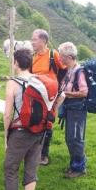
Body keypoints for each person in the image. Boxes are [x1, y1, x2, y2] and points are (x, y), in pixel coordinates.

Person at [0, 49, 43, 190]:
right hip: (39, 130)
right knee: (31, 167)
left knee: (10, 168)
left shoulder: (13, 83)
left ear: (16, 63)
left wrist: (5, 135)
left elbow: (8, 113)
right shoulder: (39, 81)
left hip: (20, 131)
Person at [31, 29, 66, 166]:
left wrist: (60, 92)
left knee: (48, 123)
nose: (32, 42)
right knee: (35, 121)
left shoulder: (53, 55)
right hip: (35, 97)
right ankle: (34, 153)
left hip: (50, 98)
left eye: (34, 39)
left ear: (43, 41)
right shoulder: (32, 57)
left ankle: (44, 155)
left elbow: (65, 71)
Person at [57, 42, 88, 178]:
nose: (60, 59)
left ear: (69, 57)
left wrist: (67, 94)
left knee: (75, 138)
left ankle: (79, 168)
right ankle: (74, 165)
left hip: (77, 109)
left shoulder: (79, 71)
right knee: (70, 138)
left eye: (62, 56)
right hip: (70, 109)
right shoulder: (70, 70)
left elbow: (84, 92)